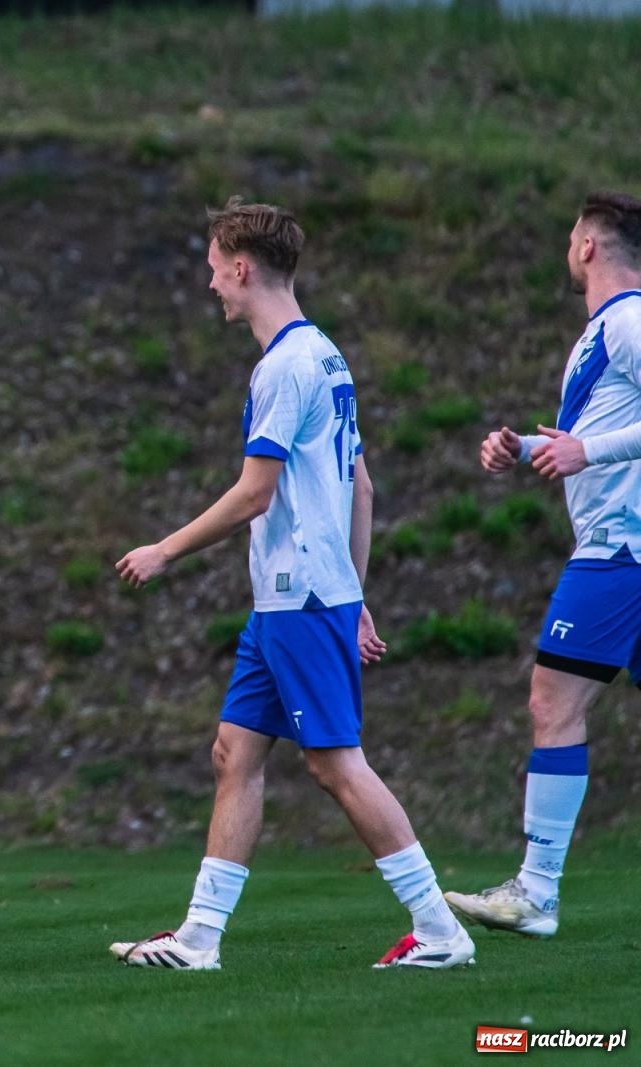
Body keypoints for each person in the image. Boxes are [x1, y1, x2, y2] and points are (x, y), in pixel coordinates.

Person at [109, 198, 475, 971]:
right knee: (233, 752)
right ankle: (199, 938)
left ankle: (440, 928)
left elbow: (255, 492)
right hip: (297, 597)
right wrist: (356, 595)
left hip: (299, 594)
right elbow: (361, 487)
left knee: (335, 763)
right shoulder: (326, 355)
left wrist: (165, 550)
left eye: (215, 269)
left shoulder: (283, 366)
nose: (211, 284)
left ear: (243, 268)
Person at [445, 191, 641, 938]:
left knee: (552, 705)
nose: (568, 246)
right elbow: (604, 434)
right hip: (621, 545)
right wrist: (526, 448)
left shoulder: (626, 320)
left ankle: (536, 890)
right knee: (555, 705)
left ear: (589, 245)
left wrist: (586, 450)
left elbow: (598, 446)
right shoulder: (604, 331)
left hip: (620, 550)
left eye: (571, 236)